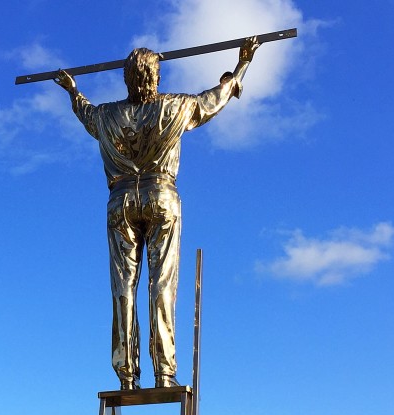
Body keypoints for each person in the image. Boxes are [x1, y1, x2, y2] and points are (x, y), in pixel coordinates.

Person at [55, 37, 259, 390]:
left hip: (120, 202)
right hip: (161, 196)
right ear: (157, 77)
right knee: (161, 283)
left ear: (126, 79)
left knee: (122, 288)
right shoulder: (175, 106)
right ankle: (164, 373)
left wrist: (73, 90)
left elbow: (84, 113)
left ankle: (126, 376)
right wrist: (242, 65)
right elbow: (217, 97)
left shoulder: (107, 115)